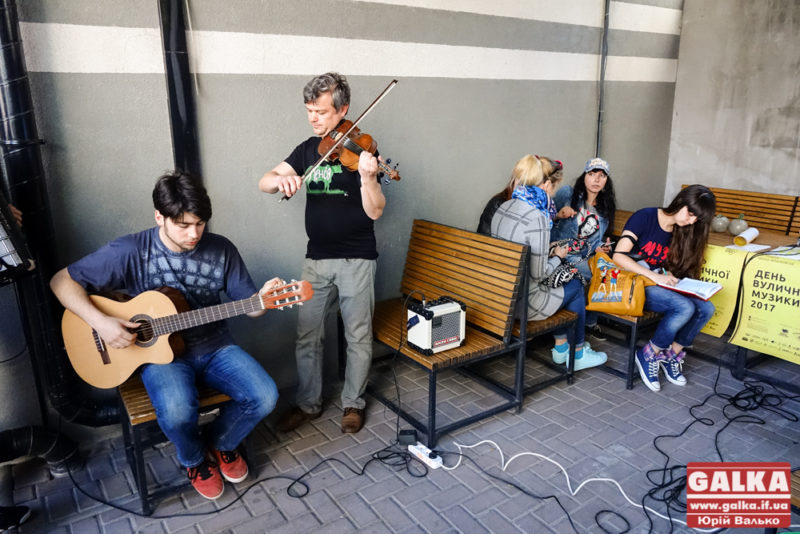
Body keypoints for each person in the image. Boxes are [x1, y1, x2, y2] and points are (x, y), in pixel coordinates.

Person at [50, 171, 279, 500]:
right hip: (160, 357)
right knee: (176, 411)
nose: (194, 234)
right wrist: (101, 323)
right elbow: (61, 282)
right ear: (160, 217)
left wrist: (263, 301)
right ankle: (194, 459)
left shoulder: (222, 249)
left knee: (265, 396)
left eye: (200, 224)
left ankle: (221, 443)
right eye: (183, 225)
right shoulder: (130, 250)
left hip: (215, 346)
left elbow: (251, 308)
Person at [258, 72, 385, 434]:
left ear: (343, 110)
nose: (313, 119)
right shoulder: (307, 150)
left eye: (322, 112)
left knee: (357, 336)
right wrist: (280, 180)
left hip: (357, 259)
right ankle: (308, 404)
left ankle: (353, 403)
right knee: (308, 335)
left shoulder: (363, 152)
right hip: (315, 260)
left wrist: (369, 178)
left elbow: (375, 211)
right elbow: (264, 181)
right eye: (309, 111)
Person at [491, 155, 607, 370]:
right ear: (545, 185)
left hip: (501, 295)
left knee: (570, 278)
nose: (555, 192)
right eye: (555, 187)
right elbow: (540, 274)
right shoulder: (538, 217)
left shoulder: (505, 206)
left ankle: (562, 347)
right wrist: (558, 256)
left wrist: (551, 251)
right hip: (524, 304)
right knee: (577, 284)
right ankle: (576, 353)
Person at [612, 184, 716, 392]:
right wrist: (654, 276)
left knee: (706, 308)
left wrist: (670, 276)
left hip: (658, 283)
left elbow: (669, 267)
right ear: (681, 202)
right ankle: (649, 354)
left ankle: (671, 355)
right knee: (684, 307)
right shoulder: (645, 217)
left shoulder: (683, 230)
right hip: (633, 284)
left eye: (696, 219)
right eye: (691, 214)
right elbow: (618, 256)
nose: (691, 221)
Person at [550, 157, 617, 341]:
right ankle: (589, 323)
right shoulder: (568, 194)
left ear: (606, 181)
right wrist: (558, 215)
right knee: (601, 274)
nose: (597, 179)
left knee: (608, 272)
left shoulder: (604, 208)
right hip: (560, 253)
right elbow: (544, 218)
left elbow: (593, 241)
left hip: (582, 256)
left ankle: (589, 322)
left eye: (602, 176)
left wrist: (601, 247)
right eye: (592, 174)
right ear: (584, 176)